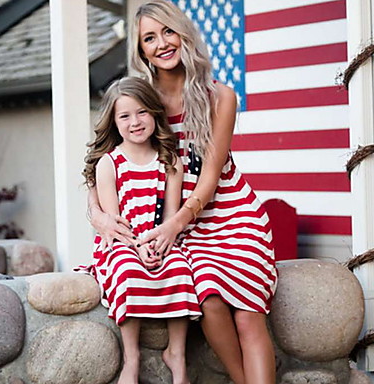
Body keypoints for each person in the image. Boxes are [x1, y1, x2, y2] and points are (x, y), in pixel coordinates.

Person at [88, 1, 278, 383]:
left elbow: (210, 176)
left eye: (168, 32)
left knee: (247, 314)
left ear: (184, 34)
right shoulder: (142, 102)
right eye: (149, 38)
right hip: (181, 227)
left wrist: (175, 223)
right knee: (209, 302)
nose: (162, 43)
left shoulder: (220, 97)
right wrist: (97, 214)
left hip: (229, 213)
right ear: (141, 50)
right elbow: (100, 160)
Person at [77, 76, 202, 384]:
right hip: (123, 241)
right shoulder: (110, 163)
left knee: (179, 269)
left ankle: (177, 355)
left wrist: (158, 246)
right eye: (125, 115)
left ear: (155, 114)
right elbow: (115, 222)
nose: (135, 121)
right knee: (128, 270)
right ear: (114, 121)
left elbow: (171, 217)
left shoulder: (169, 161)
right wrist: (138, 246)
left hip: (161, 238)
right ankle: (131, 357)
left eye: (142, 111)